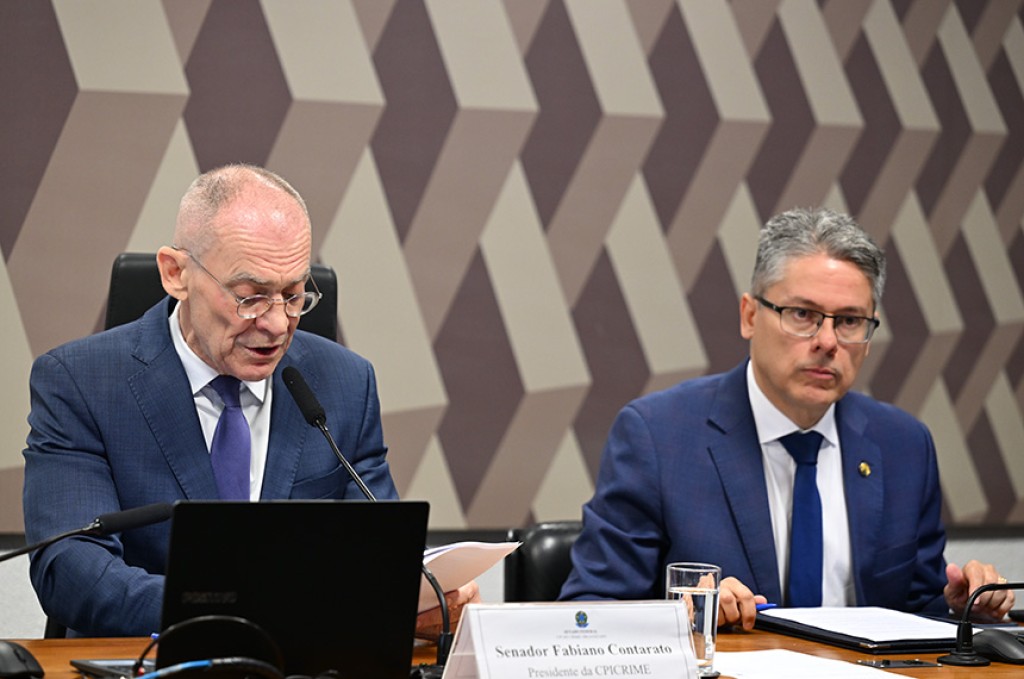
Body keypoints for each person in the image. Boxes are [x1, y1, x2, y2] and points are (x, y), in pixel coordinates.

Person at [22, 164, 478, 637]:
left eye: (294, 295)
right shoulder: (82, 383)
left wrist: (418, 601)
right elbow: (71, 570)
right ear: (176, 274)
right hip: (142, 658)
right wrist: (250, 610)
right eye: (250, 297)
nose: (278, 324)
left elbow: (379, 555)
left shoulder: (343, 383)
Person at [559, 207, 1014, 630]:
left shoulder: (904, 445)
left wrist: (963, 611)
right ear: (749, 316)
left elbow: (916, 615)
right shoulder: (659, 436)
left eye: (849, 321)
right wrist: (686, 616)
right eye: (802, 314)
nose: (827, 341)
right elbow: (588, 612)